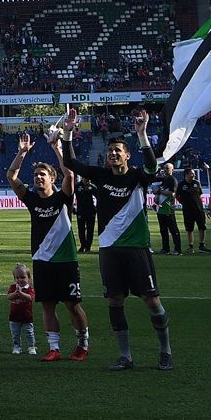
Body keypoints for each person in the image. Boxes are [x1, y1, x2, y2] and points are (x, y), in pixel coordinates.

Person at [57, 109, 173, 371]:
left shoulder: (136, 177)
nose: (112, 154)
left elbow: (152, 168)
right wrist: (68, 131)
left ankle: (165, 350)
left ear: (127, 155)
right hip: (109, 249)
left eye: (117, 151)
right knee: (115, 301)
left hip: (136, 248)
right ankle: (125, 356)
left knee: (151, 300)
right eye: (110, 152)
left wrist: (142, 135)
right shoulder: (101, 176)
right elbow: (72, 162)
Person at [8, 118, 90, 362]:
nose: (38, 178)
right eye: (35, 175)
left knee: (72, 304)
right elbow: (12, 176)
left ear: (52, 178)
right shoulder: (32, 199)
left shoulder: (64, 196)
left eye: (42, 174)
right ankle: (54, 348)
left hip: (66, 259)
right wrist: (22, 153)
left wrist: (56, 147)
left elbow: (70, 174)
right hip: (42, 259)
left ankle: (82, 344)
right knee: (47, 306)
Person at [6, 263, 36, 355]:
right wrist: (15, 293)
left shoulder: (29, 288)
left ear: (28, 278)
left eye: (23, 277)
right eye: (17, 278)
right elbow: (9, 297)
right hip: (14, 316)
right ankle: (17, 346)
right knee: (15, 334)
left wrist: (21, 293)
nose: (20, 280)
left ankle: (31, 347)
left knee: (29, 333)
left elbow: (30, 297)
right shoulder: (13, 287)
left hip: (27, 316)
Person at [178, 168, 207, 254]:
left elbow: (200, 195)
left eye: (194, 173)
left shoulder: (197, 183)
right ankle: (190, 246)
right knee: (189, 229)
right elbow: (177, 196)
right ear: (186, 175)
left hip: (199, 209)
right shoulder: (181, 184)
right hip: (187, 210)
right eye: (191, 173)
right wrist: (183, 203)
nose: (193, 175)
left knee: (202, 227)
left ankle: (202, 245)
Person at [153, 177, 181, 256]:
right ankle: (165, 248)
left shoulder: (173, 180)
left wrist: (160, 192)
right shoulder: (162, 181)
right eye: (165, 168)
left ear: (172, 170)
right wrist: (156, 194)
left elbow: (172, 193)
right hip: (160, 209)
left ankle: (178, 249)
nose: (165, 170)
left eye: (167, 168)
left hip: (168, 209)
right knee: (163, 230)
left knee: (173, 229)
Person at [76, 177, 98, 253]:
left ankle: (88, 246)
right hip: (80, 211)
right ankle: (82, 246)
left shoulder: (92, 187)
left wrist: (96, 208)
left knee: (90, 229)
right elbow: (73, 197)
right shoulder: (77, 186)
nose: (87, 179)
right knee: (81, 229)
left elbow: (98, 197)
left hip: (91, 211)